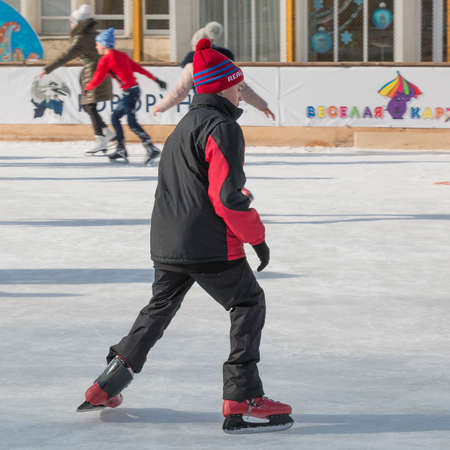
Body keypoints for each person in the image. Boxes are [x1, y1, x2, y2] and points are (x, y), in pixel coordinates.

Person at [78, 38, 293, 434]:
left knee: (158, 309)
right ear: (223, 86)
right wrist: (256, 236)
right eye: (237, 84)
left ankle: (106, 384)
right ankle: (243, 397)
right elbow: (226, 197)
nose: (240, 90)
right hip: (207, 242)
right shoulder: (222, 127)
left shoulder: (185, 126)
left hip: (168, 241)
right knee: (248, 302)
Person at [152, 22, 275, 121]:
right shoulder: (225, 65)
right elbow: (243, 89)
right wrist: (262, 106)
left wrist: (161, 106)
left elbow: (180, 92)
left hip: (203, 110)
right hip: (225, 110)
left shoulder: (192, 66)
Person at [38, 4, 115, 155]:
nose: (71, 25)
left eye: (72, 22)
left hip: (93, 72)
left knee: (89, 105)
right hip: (98, 70)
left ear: (78, 23)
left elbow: (65, 55)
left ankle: (101, 138)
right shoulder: (94, 33)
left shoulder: (81, 38)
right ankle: (105, 132)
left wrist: (47, 69)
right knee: (88, 105)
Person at [85, 28, 167, 165]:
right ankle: (121, 148)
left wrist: (86, 89)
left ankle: (150, 148)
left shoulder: (105, 60)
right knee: (115, 117)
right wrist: (156, 79)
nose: (96, 46)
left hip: (130, 94)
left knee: (132, 123)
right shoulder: (121, 55)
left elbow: (97, 79)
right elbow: (139, 69)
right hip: (132, 92)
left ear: (104, 44)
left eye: (97, 43)